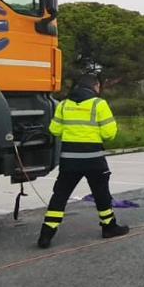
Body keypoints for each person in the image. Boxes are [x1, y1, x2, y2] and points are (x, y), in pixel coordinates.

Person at [39, 74, 129, 248]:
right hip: (93, 159)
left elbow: (54, 130)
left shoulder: (64, 105)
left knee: (60, 195)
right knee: (101, 194)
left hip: (69, 160)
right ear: (95, 86)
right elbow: (109, 134)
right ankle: (109, 227)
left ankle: (46, 234)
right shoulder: (99, 104)